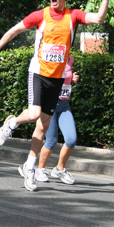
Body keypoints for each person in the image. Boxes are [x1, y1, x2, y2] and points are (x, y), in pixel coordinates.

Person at [0, 0, 113, 192]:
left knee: (43, 126)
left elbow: (100, 19)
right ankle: (12, 123)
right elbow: (15, 30)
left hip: (56, 79)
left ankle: (29, 166)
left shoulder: (73, 16)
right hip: (37, 73)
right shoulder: (40, 15)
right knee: (34, 114)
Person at [35, 55, 79, 185]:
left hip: (64, 106)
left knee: (71, 139)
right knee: (51, 141)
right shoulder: (51, 58)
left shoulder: (70, 59)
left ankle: (59, 169)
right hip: (49, 105)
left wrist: (73, 79)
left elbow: (66, 79)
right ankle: (40, 169)